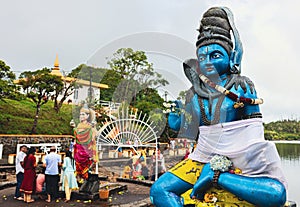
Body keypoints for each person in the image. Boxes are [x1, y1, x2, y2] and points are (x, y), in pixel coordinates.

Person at [150, 7, 287, 207]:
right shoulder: (194, 93)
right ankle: (210, 175)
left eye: (215, 55)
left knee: (276, 194)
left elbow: (253, 134)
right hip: (203, 156)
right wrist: (177, 124)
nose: (208, 63)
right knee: (159, 191)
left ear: (232, 57)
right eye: (203, 57)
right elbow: (193, 133)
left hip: (241, 157)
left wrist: (225, 167)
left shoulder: (241, 84)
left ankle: (217, 177)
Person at [73, 104, 98, 181]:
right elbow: (76, 137)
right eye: (80, 114)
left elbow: (93, 137)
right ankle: (79, 178)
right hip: (78, 148)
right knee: (77, 165)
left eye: (83, 114)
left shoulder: (90, 126)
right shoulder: (78, 126)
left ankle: (85, 178)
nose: (81, 116)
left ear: (88, 116)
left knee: (86, 165)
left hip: (86, 148)